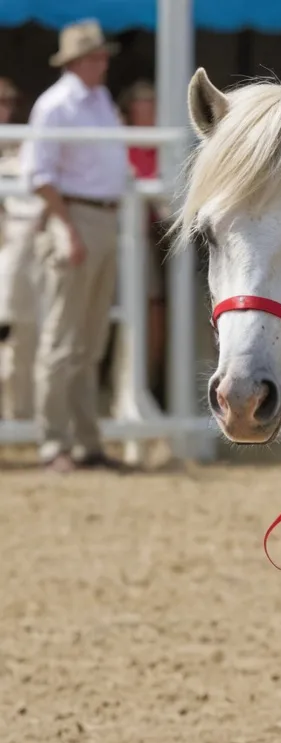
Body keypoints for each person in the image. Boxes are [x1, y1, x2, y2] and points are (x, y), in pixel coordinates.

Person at [22, 19, 129, 472]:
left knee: (89, 341)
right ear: (77, 61)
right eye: (96, 56)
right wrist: (66, 227)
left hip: (101, 215)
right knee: (64, 339)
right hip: (76, 215)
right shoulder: (55, 105)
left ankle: (86, 442)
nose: (103, 62)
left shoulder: (98, 99)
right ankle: (54, 442)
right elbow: (39, 174)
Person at [118, 79, 169, 407]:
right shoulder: (122, 141)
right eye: (143, 102)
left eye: (153, 101)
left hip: (160, 239)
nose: (149, 108)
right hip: (128, 239)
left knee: (156, 312)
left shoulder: (165, 144)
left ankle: (151, 387)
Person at [0, 77, 44, 422]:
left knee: (20, 337)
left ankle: (20, 418)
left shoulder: (19, 148)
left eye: (8, 101)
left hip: (16, 252)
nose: (4, 108)